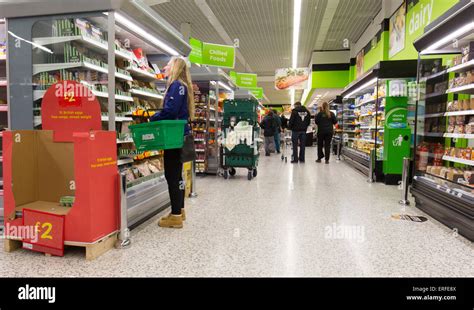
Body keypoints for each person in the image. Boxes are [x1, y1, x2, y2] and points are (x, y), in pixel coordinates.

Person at [150, 57, 194, 229]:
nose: (165, 66)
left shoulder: (176, 85)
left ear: (175, 67)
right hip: (179, 135)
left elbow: (170, 110)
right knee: (178, 175)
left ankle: (175, 215)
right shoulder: (183, 86)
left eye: (168, 64)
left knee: (172, 176)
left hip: (173, 137)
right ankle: (180, 210)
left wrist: (154, 117)